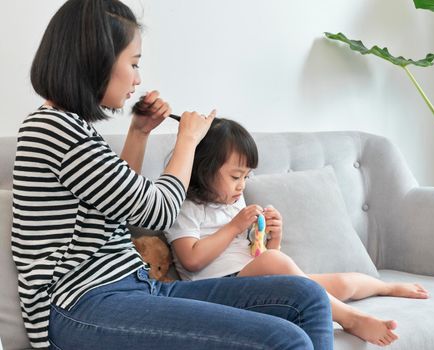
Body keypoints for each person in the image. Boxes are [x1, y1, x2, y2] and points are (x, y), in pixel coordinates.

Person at [12, 1, 334, 349]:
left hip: (132, 288)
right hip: (80, 307)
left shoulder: (73, 129)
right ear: (97, 60)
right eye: (133, 64)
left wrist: (139, 133)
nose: (137, 79)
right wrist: (188, 143)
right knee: (281, 339)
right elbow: (159, 210)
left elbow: (118, 206)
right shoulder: (54, 131)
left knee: (307, 297)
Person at [166, 118, 431, 347]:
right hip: (218, 289)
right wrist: (235, 226)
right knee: (277, 263)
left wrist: (273, 237)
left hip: (253, 279)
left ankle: (386, 286)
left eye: (246, 177)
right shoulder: (184, 207)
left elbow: (259, 256)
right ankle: (349, 318)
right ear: (203, 170)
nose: (242, 186)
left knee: (342, 284)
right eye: (236, 177)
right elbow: (191, 258)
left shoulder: (232, 202)